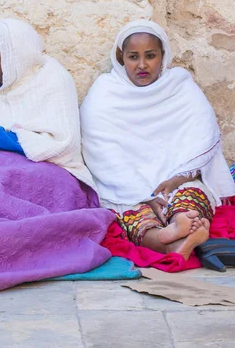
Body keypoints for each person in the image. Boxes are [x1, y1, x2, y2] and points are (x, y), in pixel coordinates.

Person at [80, 20, 235, 259]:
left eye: (150, 55)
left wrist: (175, 181)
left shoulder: (180, 87)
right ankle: (167, 241)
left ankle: (182, 221)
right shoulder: (105, 93)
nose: (142, 65)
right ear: (122, 58)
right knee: (132, 213)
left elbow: (202, 140)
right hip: (129, 188)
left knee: (192, 194)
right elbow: (102, 155)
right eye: (133, 57)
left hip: (176, 180)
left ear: (163, 56)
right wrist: (145, 194)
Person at [0, 18, 96, 189]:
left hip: (44, 175)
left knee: (48, 181)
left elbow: (63, 145)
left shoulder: (51, 78)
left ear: (13, 54)